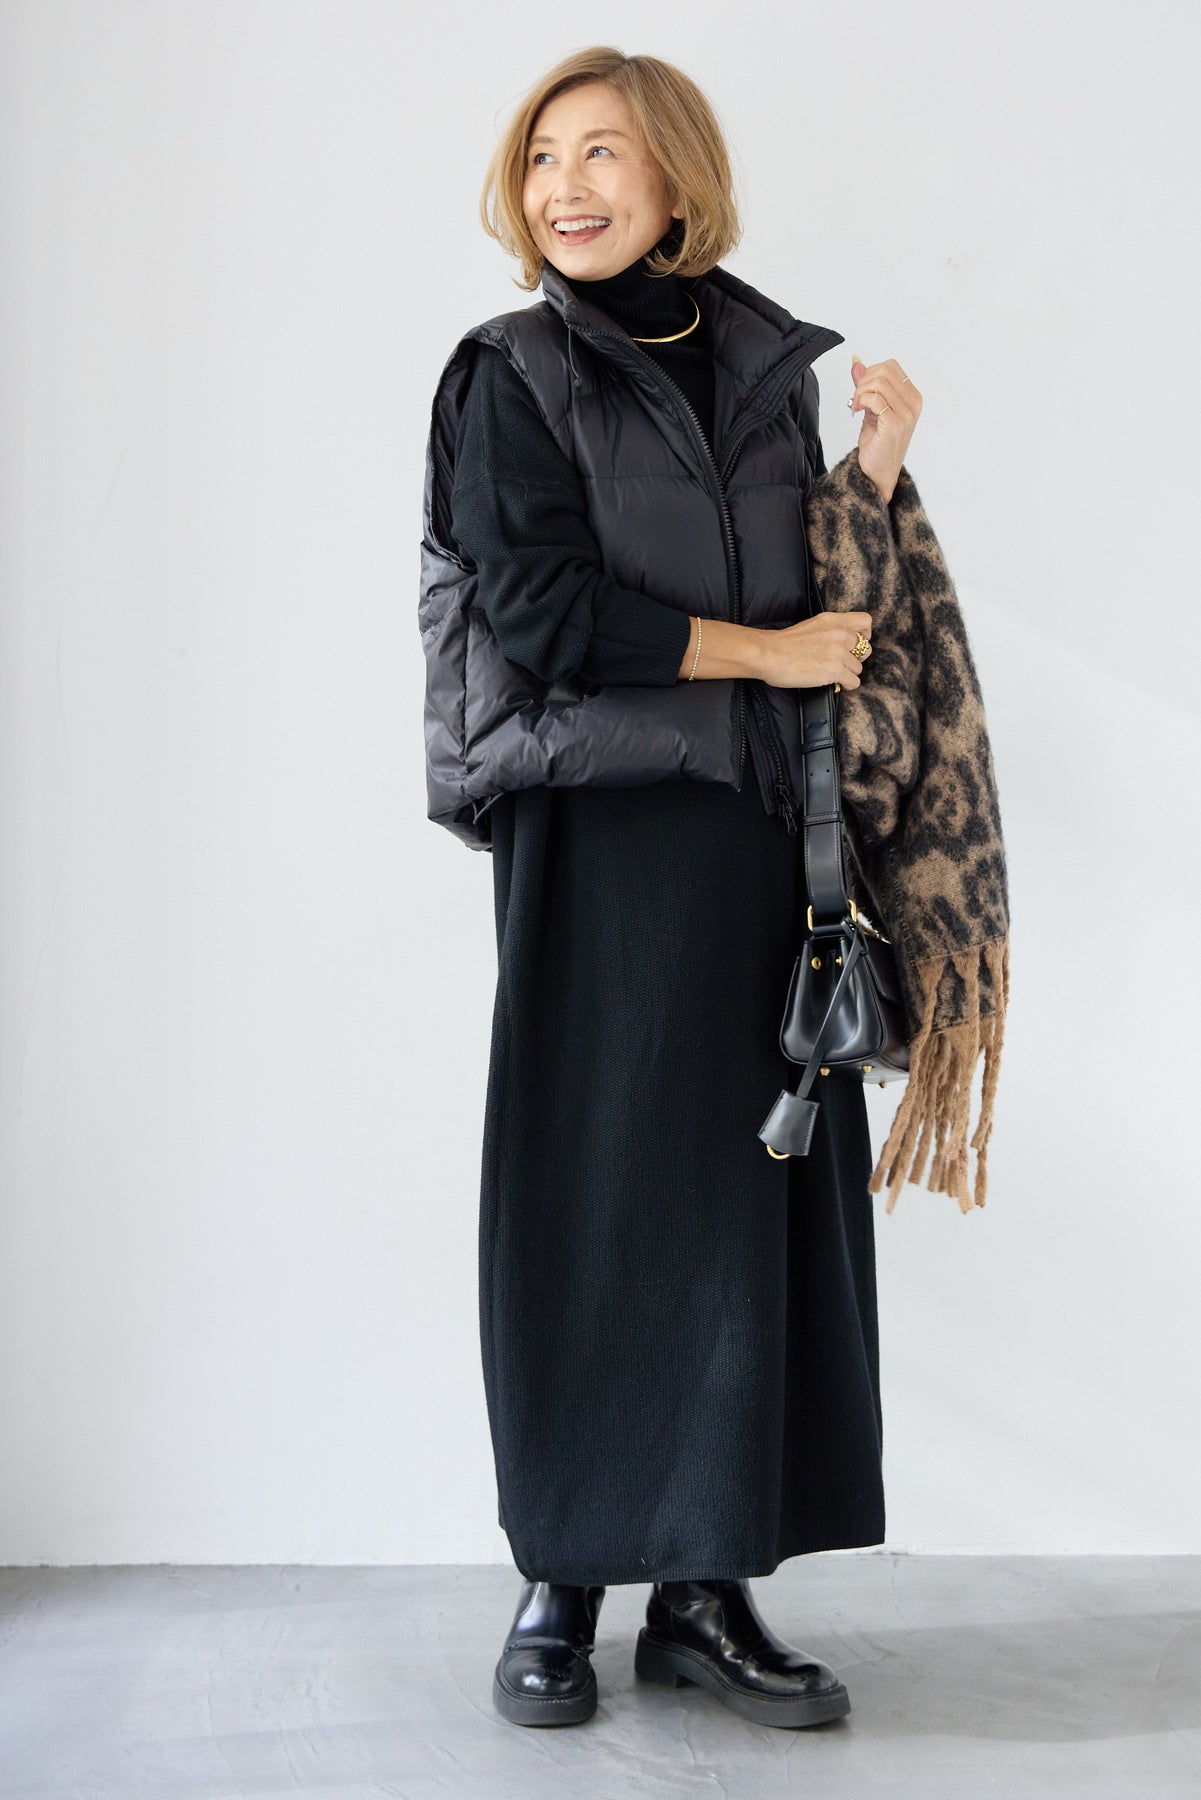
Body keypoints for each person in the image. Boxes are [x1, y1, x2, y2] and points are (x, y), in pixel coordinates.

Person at [421, 46, 923, 1731]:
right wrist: (762, 657)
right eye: (541, 156)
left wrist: (872, 470)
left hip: (759, 827)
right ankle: (563, 1579)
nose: (564, 186)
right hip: (597, 820)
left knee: (742, 1201)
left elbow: (818, 604)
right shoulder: (509, 373)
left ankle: (707, 1587)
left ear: (676, 178)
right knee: (590, 1197)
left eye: (601, 154)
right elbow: (543, 615)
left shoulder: (766, 368)